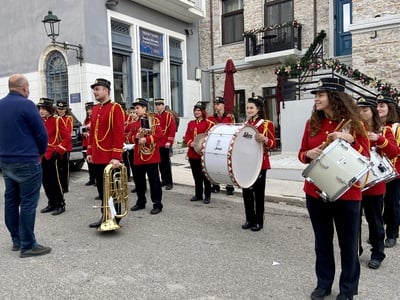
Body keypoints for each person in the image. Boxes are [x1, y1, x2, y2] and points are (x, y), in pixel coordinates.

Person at [298, 78, 370, 300]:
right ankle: (324, 284)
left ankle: (348, 290)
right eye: (316, 95)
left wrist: (350, 139)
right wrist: (308, 155)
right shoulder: (312, 124)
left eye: (321, 94)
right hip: (315, 191)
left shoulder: (355, 125)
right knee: (322, 242)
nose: (316, 99)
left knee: (348, 246)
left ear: (334, 97)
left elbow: (365, 158)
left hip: (347, 194)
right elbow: (302, 154)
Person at [0, 74, 51, 258]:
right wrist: (40, 152)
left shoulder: (1, 105)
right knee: (28, 203)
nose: (28, 91)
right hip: (27, 160)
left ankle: (17, 240)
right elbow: (41, 133)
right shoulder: (26, 105)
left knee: (12, 201)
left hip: (6, 161)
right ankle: (28, 245)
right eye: (28, 88)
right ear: (23, 88)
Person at [356, 95, 399, 270]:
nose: (360, 113)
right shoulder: (353, 128)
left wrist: (378, 139)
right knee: (354, 220)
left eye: (364, 110)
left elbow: (395, 151)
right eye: (358, 109)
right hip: (356, 182)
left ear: (372, 111)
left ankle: (377, 253)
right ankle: (355, 249)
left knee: (375, 220)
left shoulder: (384, 130)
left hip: (374, 183)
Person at [86, 78, 125, 228]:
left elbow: (119, 133)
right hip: (97, 155)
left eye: (97, 89)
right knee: (102, 189)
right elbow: (92, 133)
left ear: (106, 90)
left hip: (109, 156)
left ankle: (115, 216)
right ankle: (105, 215)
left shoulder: (115, 108)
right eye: (94, 89)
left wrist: (116, 156)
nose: (95, 92)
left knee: (113, 189)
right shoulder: (96, 109)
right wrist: (90, 151)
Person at [241, 95, 276, 232]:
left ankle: (259, 221)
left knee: (258, 193)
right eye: (248, 108)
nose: (249, 110)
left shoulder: (267, 124)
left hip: (260, 163)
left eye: (251, 108)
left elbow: (273, 145)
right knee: (247, 192)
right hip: (246, 163)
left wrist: (264, 139)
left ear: (258, 109)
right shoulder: (246, 124)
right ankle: (249, 219)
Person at [128, 98, 164, 214]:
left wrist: (147, 139)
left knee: (154, 182)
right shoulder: (133, 124)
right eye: (135, 108)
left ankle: (157, 204)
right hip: (138, 156)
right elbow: (128, 138)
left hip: (151, 156)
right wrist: (136, 137)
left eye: (138, 108)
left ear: (144, 108)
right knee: (139, 181)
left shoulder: (153, 120)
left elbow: (159, 134)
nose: (136, 110)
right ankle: (141, 201)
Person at [38, 97, 69, 216]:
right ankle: (51, 202)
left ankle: (60, 203)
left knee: (55, 180)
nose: (41, 111)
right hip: (41, 155)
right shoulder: (40, 121)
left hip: (52, 153)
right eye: (40, 108)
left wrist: (59, 150)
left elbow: (66, 137)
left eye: (44, 108)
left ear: (50, 109)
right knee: (45, 181)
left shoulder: (57, 120)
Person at [376, 94, 400, 248]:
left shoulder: (397, 127)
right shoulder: (376, 126)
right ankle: (378, 234)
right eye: (377, 106)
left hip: (394, 172)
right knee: (379, 205)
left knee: (393, 204)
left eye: (382, 106)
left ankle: (392, 234)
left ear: (389, 108)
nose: (378, 109)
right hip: (378, 172)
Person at [184, 101, 214, 204]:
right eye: (195, 110)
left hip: (203, 154)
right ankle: (198, 194)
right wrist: (190, 143)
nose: (196, 112)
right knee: (196, 175)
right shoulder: (191, 123)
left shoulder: (209, 124)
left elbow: (211, 137)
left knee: (205, 176)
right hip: (192, 153)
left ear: (203, 111)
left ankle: (207, 196)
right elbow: (187, 135)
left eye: (198, 110)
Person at [207, 96, 236, 195]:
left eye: (218, 104)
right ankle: (215, 184)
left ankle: (229, 186)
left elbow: (233, 130)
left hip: (226, 144)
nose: (216, 106)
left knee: (226, 165)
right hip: (214, 144)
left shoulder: (229, 117)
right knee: (215, 164)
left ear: (223, 105)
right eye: (215, 104)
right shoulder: (211, 118)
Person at [154, 98, 176, 190]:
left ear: (163, 105)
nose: (158, 107)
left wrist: (169, 141)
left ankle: (169, 182)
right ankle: (163, 180)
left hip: (165, 142)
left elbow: (172, 129)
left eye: (160, 105)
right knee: (160, 163)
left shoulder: (168, 116)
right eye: (157, 105)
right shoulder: (155, 116)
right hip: (157, 143)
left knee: (166, 163)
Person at [55, 100, 73, 193]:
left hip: (65, 146)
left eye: (62, 109)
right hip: (56, 145)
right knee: (57, 166)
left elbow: (68, 132)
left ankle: (65, 186)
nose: (60, 110)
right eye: (59, 108)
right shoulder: (54, 118)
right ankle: (59, 185)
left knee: (65, 167)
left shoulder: (69, 118)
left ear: (66, 109)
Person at [125, 106, 139, 193]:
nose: (133, 114)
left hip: (138, 148)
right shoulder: (129, 124)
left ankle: (141, 186)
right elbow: (125, 132)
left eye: (135, 113)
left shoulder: (140, 123)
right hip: (130, 147)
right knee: (133, 167)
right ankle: (137, 185)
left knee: (138, 169)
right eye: (131, 113)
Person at [82, 101, 96, 186]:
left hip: (93, 143)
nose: (89, 111)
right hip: (85, 142)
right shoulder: (86, 119)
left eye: (90, 109)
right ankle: (91, 179)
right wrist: (83, 133)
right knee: (89, 162)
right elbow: (83, 130)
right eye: (87, 110)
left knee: (94, 163)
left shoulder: (95, 119)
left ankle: (96, 179)